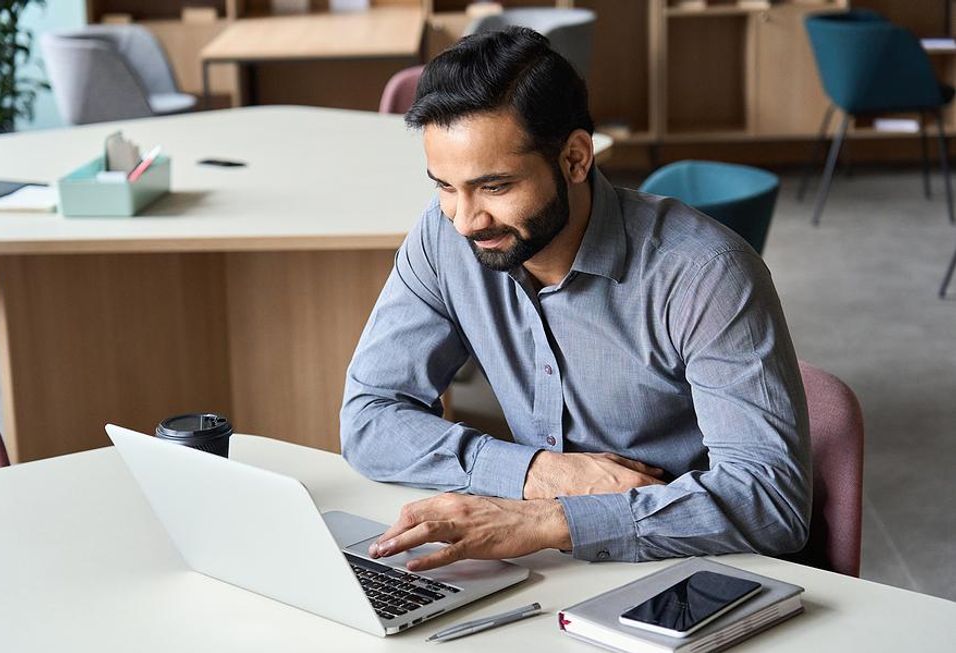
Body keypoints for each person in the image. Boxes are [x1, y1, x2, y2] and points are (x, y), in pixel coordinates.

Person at [340, 27, 811, 573]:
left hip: (692, 568)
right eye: (445, 186)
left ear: (575, 158)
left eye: (495, 187)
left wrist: (548, 521)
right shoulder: (442, 237)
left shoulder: (705, 273)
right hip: (547, 567)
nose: (466, 221)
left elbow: (771, 503)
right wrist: (536, 473)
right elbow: (369, 417)